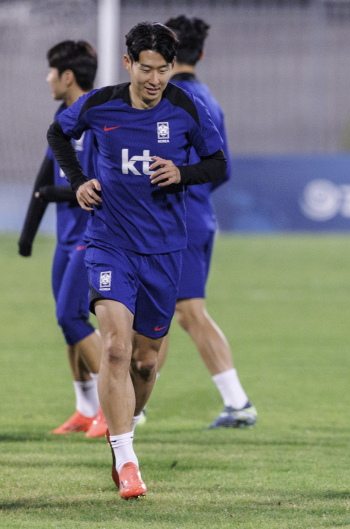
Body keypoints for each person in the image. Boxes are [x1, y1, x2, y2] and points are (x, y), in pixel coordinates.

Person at [47, 22, 227, 499]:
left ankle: (122, 434)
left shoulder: (186, 106)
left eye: (162, 70)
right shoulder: (101, 104)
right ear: (128, 64)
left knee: (144, 364)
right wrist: (79, 178)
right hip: (109, 243)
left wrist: (182, 172)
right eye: (145, 69)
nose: (154, 79)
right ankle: (127, 461)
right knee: (114, 349)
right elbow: (57, 134)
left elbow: (219, 163)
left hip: (164, 251)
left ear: (171, 68)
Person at [150, 14, 256, 429]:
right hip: (196, 217)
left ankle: (238, 402)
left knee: (187, 312)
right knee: (165, 312)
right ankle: (135, 408)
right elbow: (222, 168)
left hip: (177, 223)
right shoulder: (207, 98)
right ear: (203, 52)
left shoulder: (170, 101)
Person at [19, 40, 107, 439]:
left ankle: (118, 403)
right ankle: (85, 408)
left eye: (52, 72)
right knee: (69, 322)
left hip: (90, 235)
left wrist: (52, 195)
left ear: (67, 76)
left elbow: (99, 184)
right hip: (65, 236)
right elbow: (45, 174)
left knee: (70, 316)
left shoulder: (99, 116)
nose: (47, 78)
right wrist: (28, 233)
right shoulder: (63, 117)